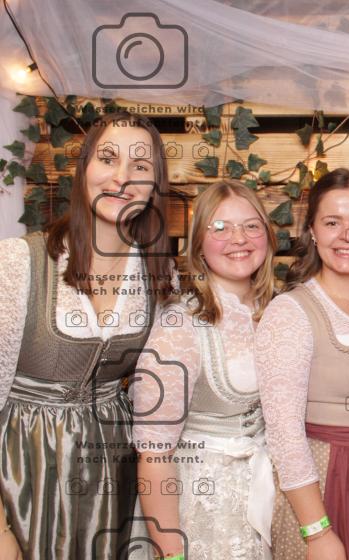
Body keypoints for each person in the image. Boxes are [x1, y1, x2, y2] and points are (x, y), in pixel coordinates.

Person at [0, 111, 176, 558]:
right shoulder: (18, 263)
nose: (122, 178)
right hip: (22, 468)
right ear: (83, 170)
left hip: (111, 480)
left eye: (140, 166)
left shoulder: (160, 277)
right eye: (108, 158)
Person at [256, 168, 349, 560]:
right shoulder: (290, 311)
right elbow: (284, 435)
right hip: (329, 480)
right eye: (332, 222)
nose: (348, 235)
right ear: (312, 230)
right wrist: (317, 532)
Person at [133, 179, 277, 559]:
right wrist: (172, 552)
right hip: (205, 509)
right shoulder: (180, 326)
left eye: (251, 226)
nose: (238, 238)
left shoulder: (279, 311)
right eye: (220, 227)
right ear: (198, 244)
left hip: (270, 498)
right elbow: (154, 455)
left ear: (267, 236)